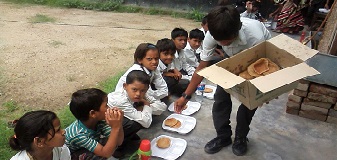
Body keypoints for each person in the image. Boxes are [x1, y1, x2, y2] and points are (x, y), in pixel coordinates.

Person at [174, 5, 271, 156]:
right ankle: (223, 136)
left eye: (226, 41)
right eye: (219, 40)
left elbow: (264, 66)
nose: (223, 44)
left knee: (249, 103)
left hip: (257, 62)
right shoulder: (212, 35)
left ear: (237, 30)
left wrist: (265, 91)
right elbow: (201, 68)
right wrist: (185, 96)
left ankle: (241, 137)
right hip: (231, 62)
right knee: (220, 98)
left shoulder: (255, 37)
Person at [108, 70, 166, 144]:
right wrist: (146, 105)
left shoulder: (140, 89)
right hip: (107, 126)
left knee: (142, 114)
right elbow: (146, 122)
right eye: (134, 90)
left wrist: (144, 107)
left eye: (142, 91)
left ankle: (129, 135)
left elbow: (162, 107)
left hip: (122, 116)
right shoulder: (120, 100)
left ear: (147, 89)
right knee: (135, 123)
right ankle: (117, 146)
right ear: (125, 86)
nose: (138, 94)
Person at [65, 88, 124, 159]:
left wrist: (118, 124)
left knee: (109, 140)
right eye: (106, 105)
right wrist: (115, 128)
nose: (109, 108)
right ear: (93, 113)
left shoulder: (100, 121)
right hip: (72, 155)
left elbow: (119, 142)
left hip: (87, 148)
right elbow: (105, 154)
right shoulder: (78, 134)